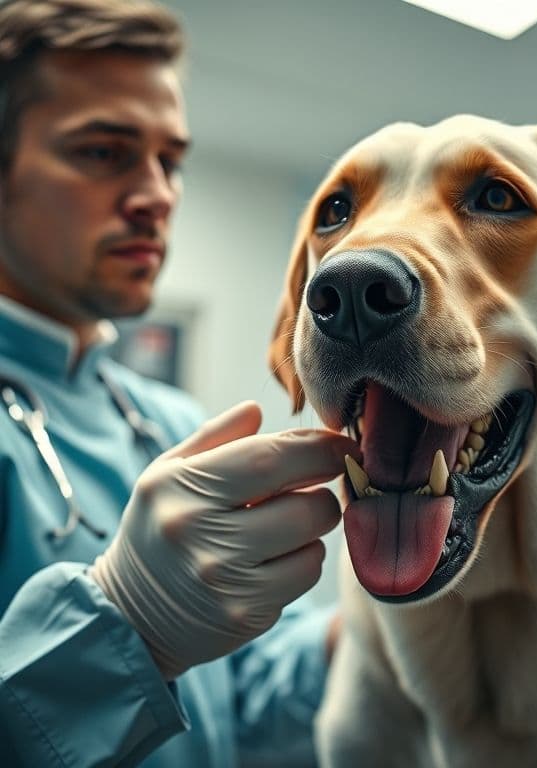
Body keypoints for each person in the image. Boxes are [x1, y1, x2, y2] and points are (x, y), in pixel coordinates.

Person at [0, 1, 358, 765]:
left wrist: (393, 628)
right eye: (104, 152)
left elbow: (242, 704)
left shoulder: (169, 422)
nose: (157, 194)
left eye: (171, 160)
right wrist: (128, 626)